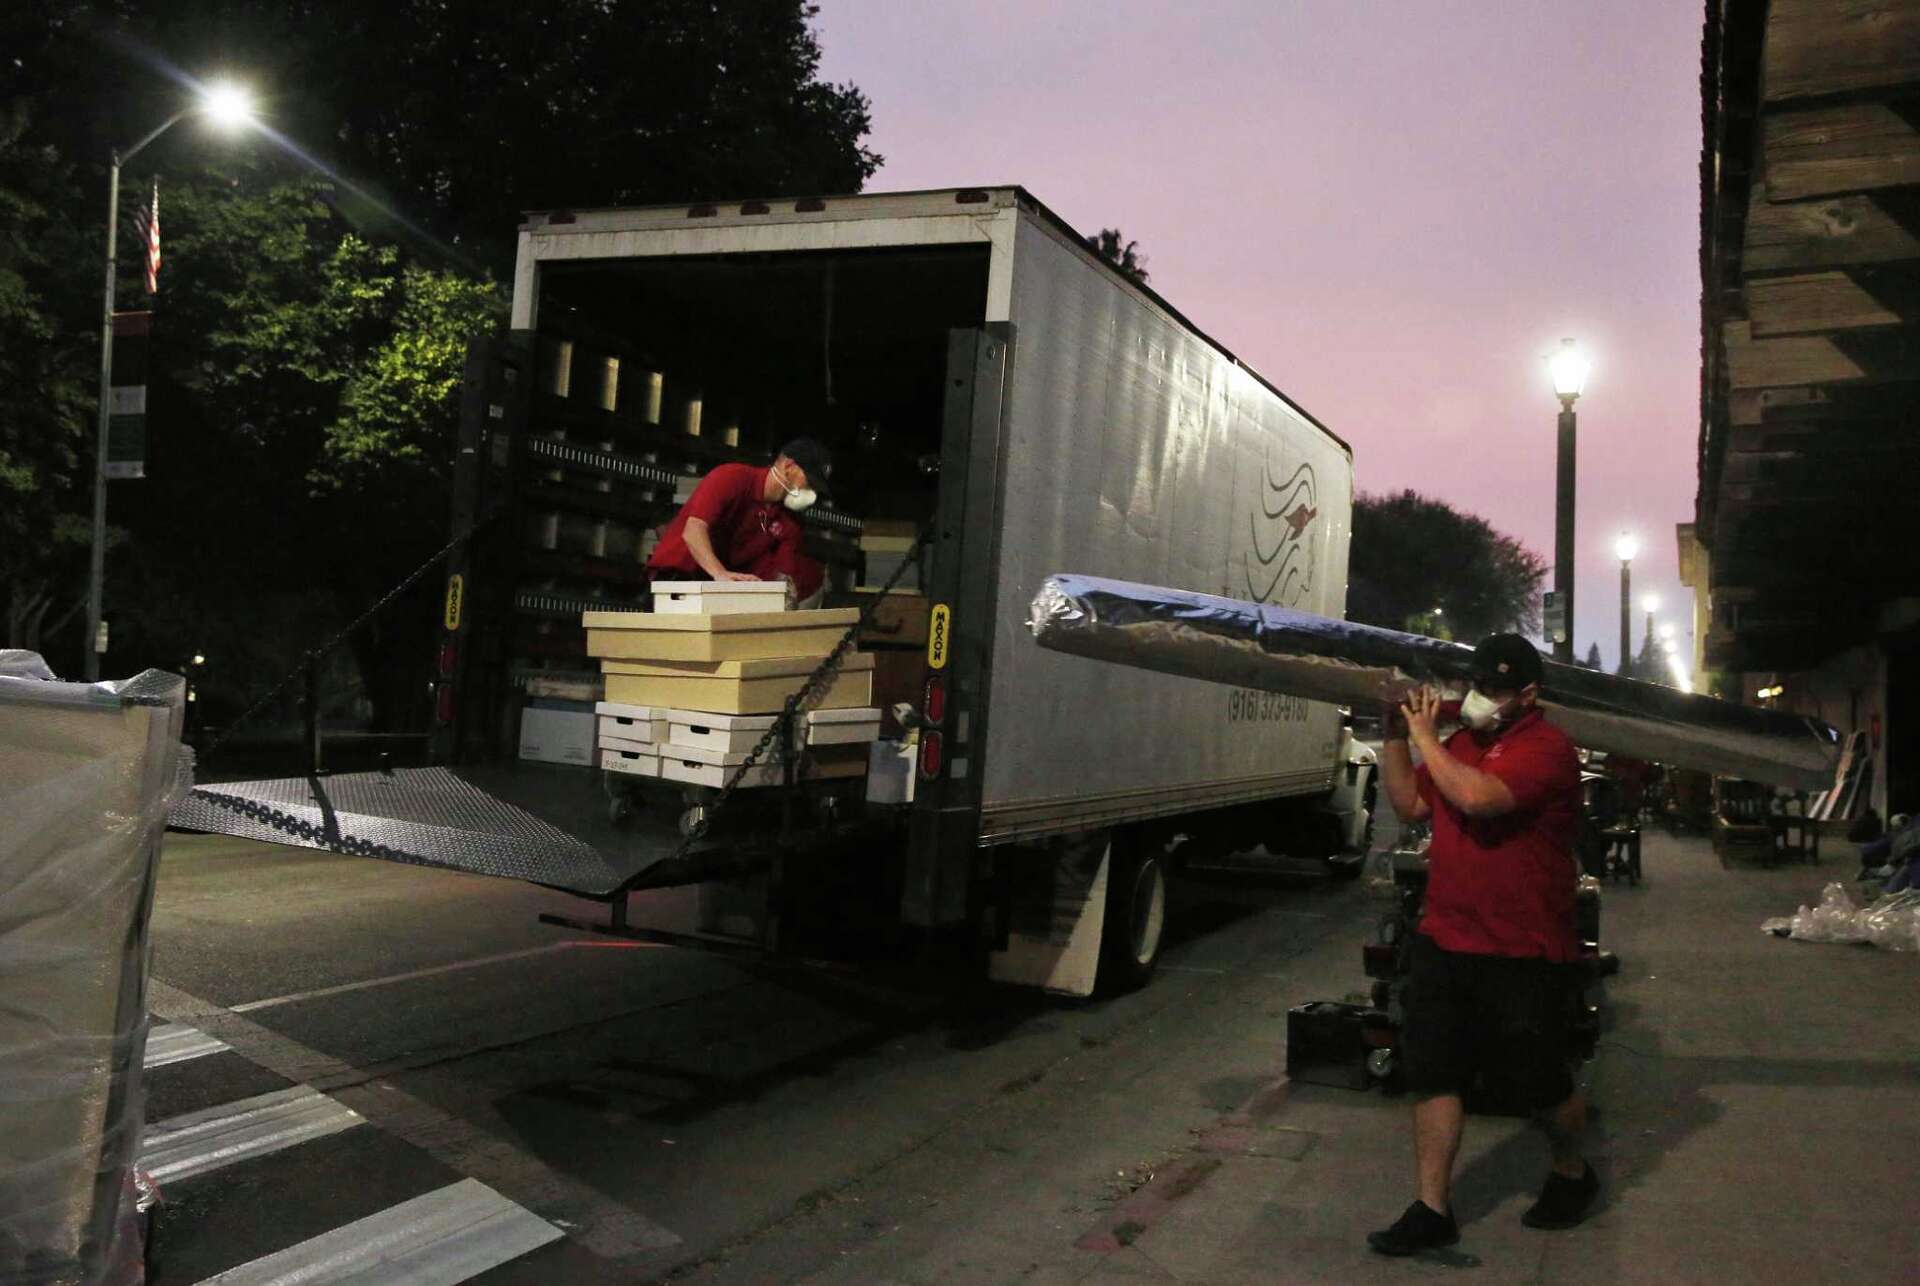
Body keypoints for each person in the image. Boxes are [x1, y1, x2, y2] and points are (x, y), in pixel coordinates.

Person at [1367, 634, 1596, 1257]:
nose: (1480, 699)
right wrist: (1393, 732)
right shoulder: (1464, 743)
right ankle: (1431, 1206)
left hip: (1523, 947)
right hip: (1447, 935)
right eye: (1476, 686)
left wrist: (1422, 738)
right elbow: (1412, 802)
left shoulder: (1547, 749)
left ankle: (1573, 1169)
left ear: (1528, 694)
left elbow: (1477, 797)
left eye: (1495, 690)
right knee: (1432, 1069)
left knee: (1536, 1082)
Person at [645, 439, 832, 604]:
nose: (812, 493)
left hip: (723, 594)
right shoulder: (732, 478)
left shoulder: (791, 521)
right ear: (789, 467)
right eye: (810, 482)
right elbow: (693, 530)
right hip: (677, 584)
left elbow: (784, 575)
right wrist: (720, 574)